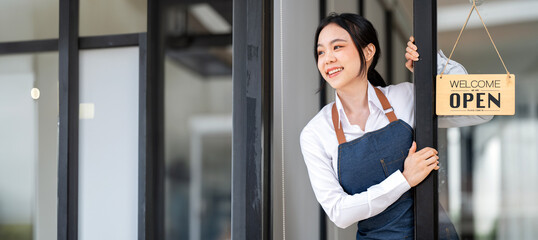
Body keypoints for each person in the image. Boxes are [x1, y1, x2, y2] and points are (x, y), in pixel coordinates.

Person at [300, 13, 491, 239]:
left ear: (368, 52)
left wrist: (433, 63)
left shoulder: (404, 98)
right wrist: (404, 179)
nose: (327, 59)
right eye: (321, 52)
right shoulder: (317, 133)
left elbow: (481, 111)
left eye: (337, 47)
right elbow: (340, 212)